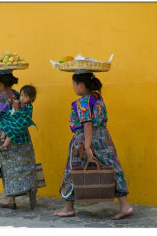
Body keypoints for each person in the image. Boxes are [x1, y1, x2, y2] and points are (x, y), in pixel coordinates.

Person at [53, 70, 134, 220]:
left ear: (81, 84)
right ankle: (125, 205)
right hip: (103, 137)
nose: (73, 87)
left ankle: (68, 207)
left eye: (74, 84)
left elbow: (87, 124)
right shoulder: (97, 98)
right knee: (112, 167)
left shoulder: (83, 102)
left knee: (73, 170)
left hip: (84, 140)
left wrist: (88, 147)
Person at [0, 70, 37, 210]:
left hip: (4, 133)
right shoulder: (18, 95)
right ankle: (31, 190)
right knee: (24, 163)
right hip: (21, 133)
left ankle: (11, 200)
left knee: (7, 166)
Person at [0, 85, 37, 152]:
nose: (22, 98)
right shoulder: (20, 102)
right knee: (5, 121)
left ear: (31, 99)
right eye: (21, 95)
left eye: (26, 97)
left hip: (20, 124)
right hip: (15, 119)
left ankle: (4, 146)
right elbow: (13, 109)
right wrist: (13, 105)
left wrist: (16, 107)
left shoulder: (28, 107)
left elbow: (20, 115)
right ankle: (2, 138)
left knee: (12, 129)